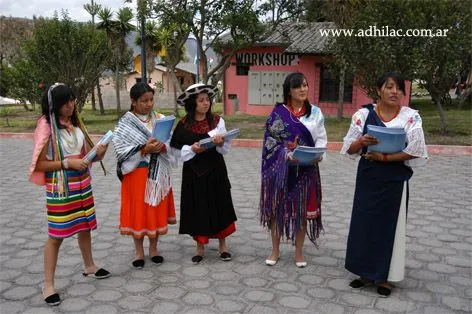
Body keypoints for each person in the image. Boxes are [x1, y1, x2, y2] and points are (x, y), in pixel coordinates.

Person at [341, 72, 428, 297]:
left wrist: (386, 158)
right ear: (379, 90)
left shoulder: (410, 117)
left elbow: (416, 149)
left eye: (399, 88)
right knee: (365, 224)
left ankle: (386, 277)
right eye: (389, 87)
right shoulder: (363, 115)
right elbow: (348, 148)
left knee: (392, 228)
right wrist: (361, 142)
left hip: (395, 180)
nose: (394, 92)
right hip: (369, 177)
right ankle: (364, 272)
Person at [29, 83, 111, 306]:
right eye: (65, 102)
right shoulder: (46, 126)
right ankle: (48, 284)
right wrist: (66, 163)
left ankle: (89, 265)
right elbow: (38, 165)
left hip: (82, 184)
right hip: (61, 188)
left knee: (84, 226)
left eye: (72, 100)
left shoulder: (75, 123)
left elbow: (84, 157)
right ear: (53, 105)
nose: (70, 105)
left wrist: (98, 154)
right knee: (56, 235)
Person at [259, 72, 327, 268]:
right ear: (289, 90)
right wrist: (286, 154)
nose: (303, 89)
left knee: (302, 212)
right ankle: (275, 250)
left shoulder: (315, 113)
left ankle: (298, 252)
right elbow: (270, 142)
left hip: (306, 170)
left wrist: (319, 153)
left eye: (305, 85)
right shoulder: (278, 113)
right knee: (276, 211)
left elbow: (321, 137)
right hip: (281, 171)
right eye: (298, 86)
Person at [170, 83, 237, 264]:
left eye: (207, 100)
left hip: (216, 170)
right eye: (201, 100)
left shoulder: (217, 121)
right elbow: (174, 150)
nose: (206, 103)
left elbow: (225, 147)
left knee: (219, 204)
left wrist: (221, 143)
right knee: (197, 207)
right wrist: (191, 149)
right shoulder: (183, 125)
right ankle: (199, 247)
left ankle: (223, 246)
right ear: (193, 103)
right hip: (194, 173)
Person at [113, 82, 176, 268]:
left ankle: (154, 249)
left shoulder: (160, 119)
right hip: (136, 174)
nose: (149, 104)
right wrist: (144, 149)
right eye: (144, 101)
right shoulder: (125, 123)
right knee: (138, 211)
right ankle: (139, 252)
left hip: (158, 172)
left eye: (151, 99)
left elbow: (171, 142)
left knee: (154, 209)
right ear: (133, 102)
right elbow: (121, 150)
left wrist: (162, 146)